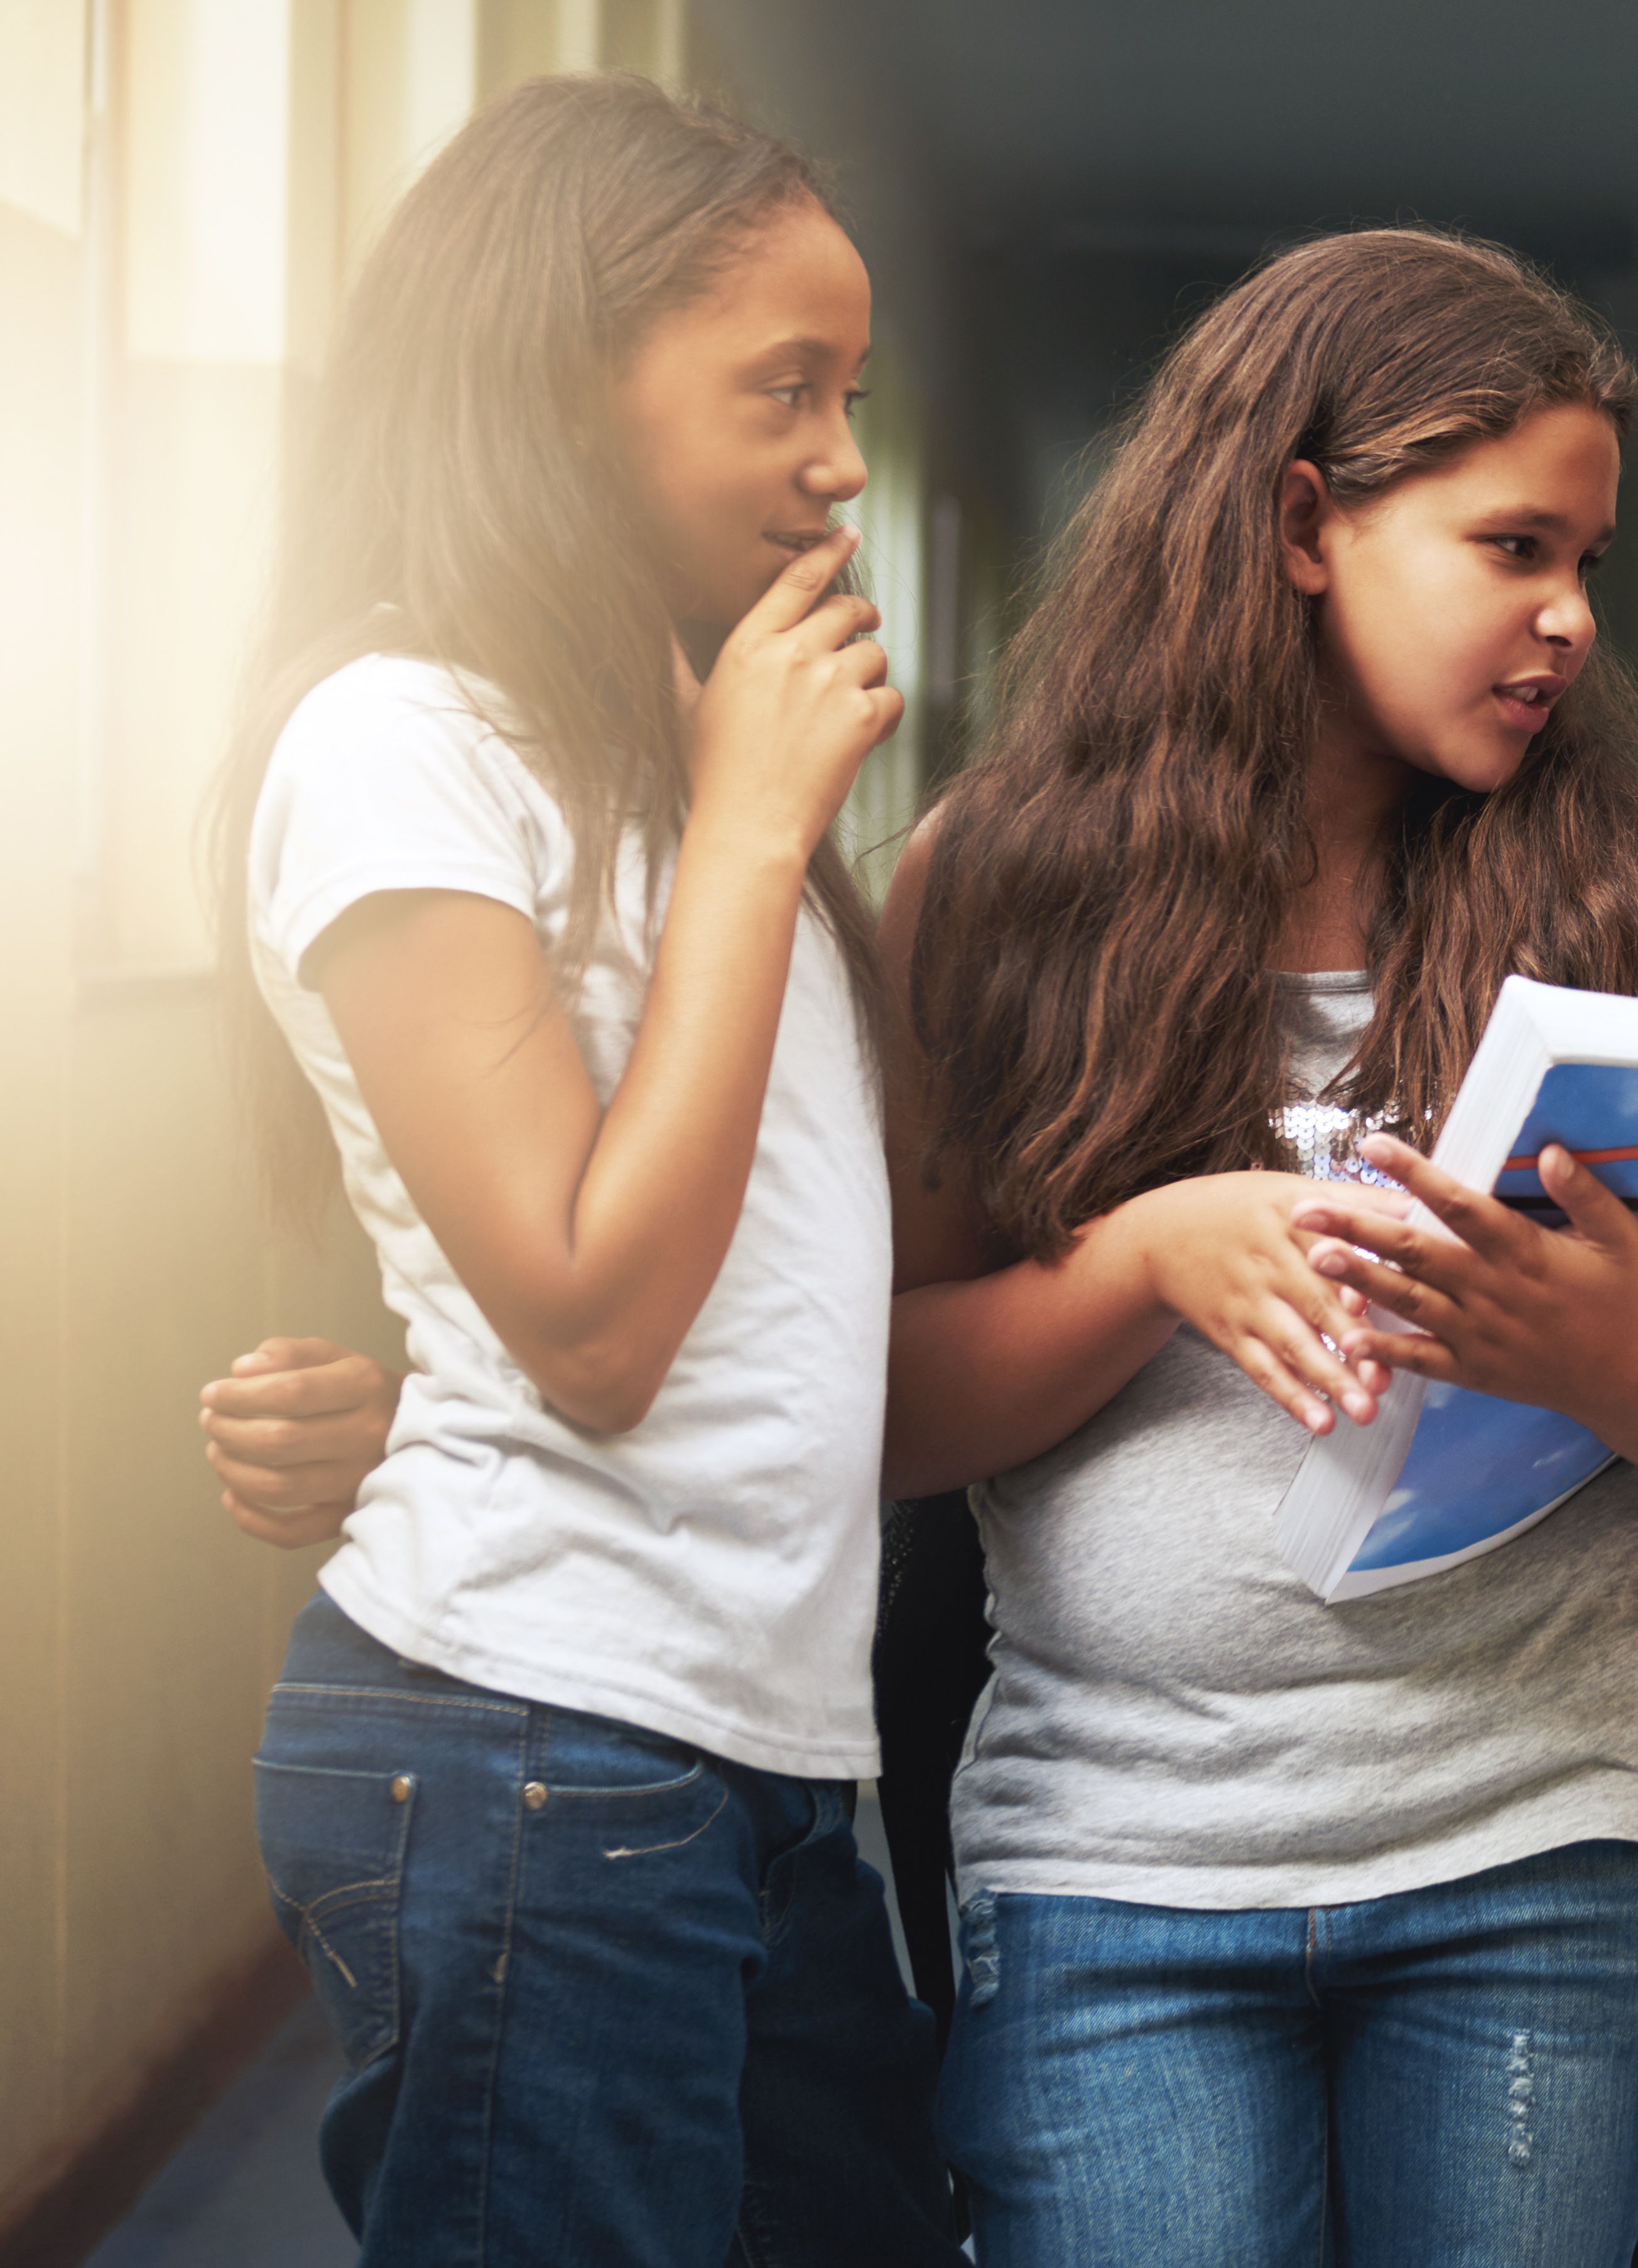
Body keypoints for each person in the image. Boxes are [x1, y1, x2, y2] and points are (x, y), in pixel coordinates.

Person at [876, 229, 1638, 2268]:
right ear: (1305, 522)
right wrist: (1142, 1254)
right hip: (1113, 1876)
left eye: (1583, 560)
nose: (1569, 618)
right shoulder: (996, 881)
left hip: (1557, 1853)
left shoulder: (1621, 890)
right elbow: (877, 1405)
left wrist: (1611, 1358)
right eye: (1513, 548)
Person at [205, 72, 957, 2264]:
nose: (839, 456)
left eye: (855, 391)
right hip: (538, 1738)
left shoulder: (672, 752)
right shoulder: (394, 740)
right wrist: (748, 827)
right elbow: (599, 1319)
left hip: (742, 1761)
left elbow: (785, 1273)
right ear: (562, 390)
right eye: (783, 390)